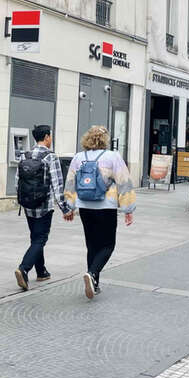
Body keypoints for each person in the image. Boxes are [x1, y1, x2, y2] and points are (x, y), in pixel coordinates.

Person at [64, 125, 136, 299]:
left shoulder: (78, 157)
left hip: (85, 206)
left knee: (92, 244)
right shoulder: (113, 156)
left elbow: (70, 182)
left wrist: (69, 206)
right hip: (106, 206)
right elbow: (124, 182)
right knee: (108, 245)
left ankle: (94, 283)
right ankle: (92, 273)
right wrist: (128, 208)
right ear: (105, 139)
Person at [13, 125, 68, 290]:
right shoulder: (51, 157)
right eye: (50, 136)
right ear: (46, 137)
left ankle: (41, 271)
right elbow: (58, 184)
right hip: (44, 205)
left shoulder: (25, 155)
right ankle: (23, 269)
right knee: (41, 238)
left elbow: (17, 181)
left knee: (35, 238)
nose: (51, 139)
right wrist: (65, 208)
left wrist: (22, 200)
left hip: (28, 205)